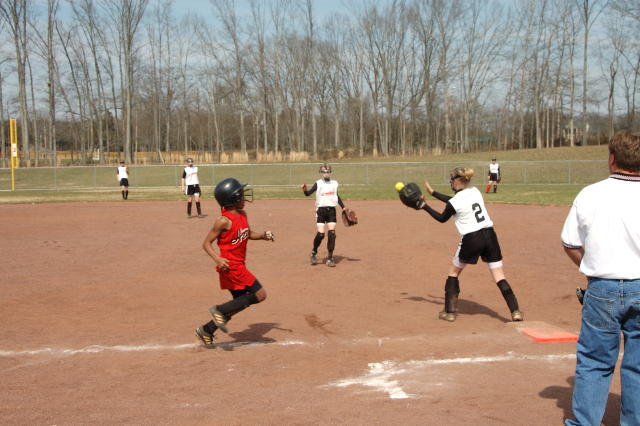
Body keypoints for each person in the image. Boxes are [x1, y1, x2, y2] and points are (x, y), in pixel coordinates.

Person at [561, 130, 640, 426]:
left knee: (595, 362)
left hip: (602, 287)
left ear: (612, 159)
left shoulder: (590, 193)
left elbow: (570, 243)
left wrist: (590, 266)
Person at [419, 167, 523, 322]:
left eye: (452, 179)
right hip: (490, 235)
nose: (450, 182)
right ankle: (515, 311)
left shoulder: (455, 202)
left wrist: (424, 206)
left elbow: (442, 218)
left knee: (453, 273)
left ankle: (449, 312)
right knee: (499, 276)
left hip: (472, 238)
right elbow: (454, 201)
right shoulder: (475, 191)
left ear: (457, 181)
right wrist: (433, 193)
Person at [195, 177, 275, 348]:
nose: (244, 197)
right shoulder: (223, 221)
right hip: (231, 266)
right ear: (232, 199)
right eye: (240, 194)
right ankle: (219, 310)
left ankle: (206, 330)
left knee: (239, 303)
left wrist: (263, 236)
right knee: (260, 295)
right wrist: (217, 259)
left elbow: (247, 233)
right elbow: (206, 243)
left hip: (239, 265)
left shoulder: (243, 215)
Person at [300, 163, 348, 267]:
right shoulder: (318, 183)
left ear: (331, 172)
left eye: (327, 171)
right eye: (323, 171)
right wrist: (304, 189)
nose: (326, 173)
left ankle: (330, 258)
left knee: (332, 234)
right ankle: (314, 252)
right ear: (321, 173)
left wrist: (343, 207)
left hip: (331, 210)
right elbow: (308, 194)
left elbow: (336, 196)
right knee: (321, 234)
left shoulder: (334, 183)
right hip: (321, 210)